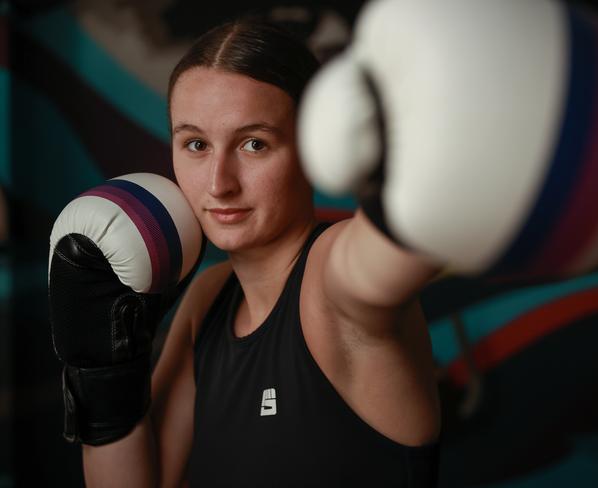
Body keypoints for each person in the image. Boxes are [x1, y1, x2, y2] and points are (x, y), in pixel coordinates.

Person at [69, 16, 442, 487]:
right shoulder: (209, 296)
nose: (219, 183)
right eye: (196, 144)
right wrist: (104, 376)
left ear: (313, 146)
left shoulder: (332, 276)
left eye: (253, 143)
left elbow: (402, 244)